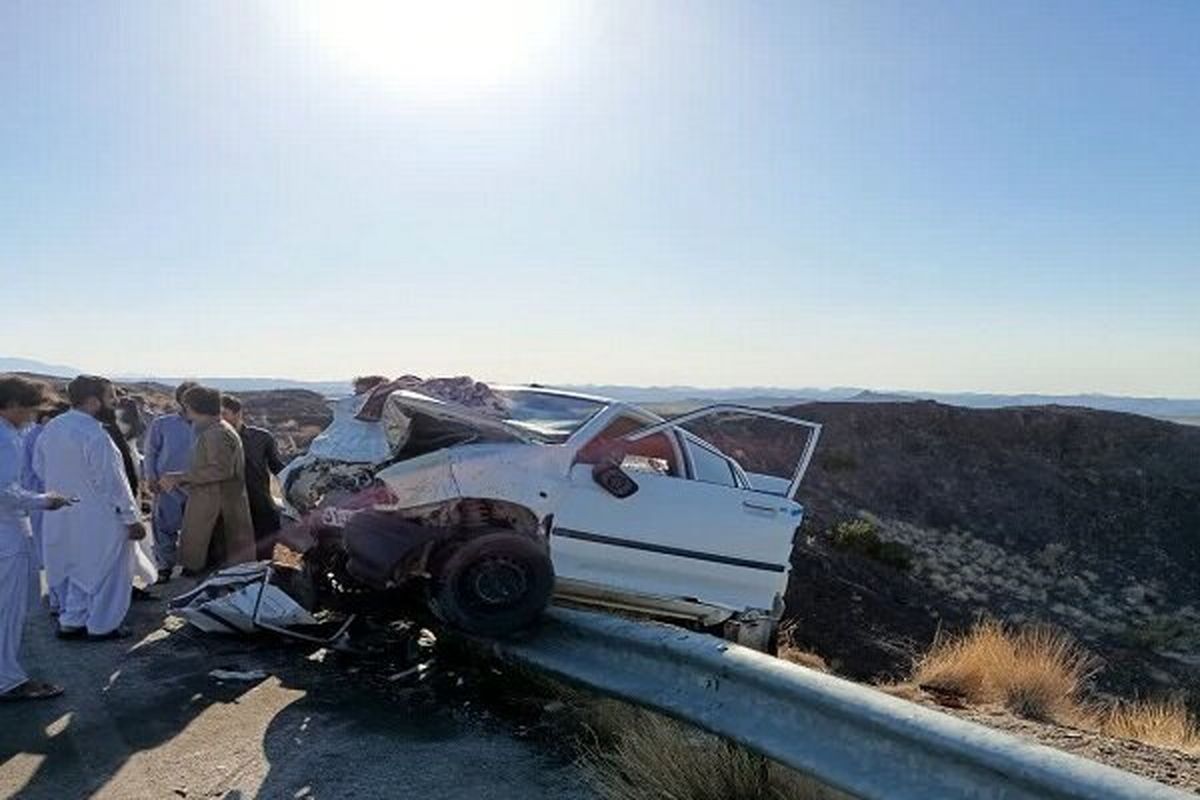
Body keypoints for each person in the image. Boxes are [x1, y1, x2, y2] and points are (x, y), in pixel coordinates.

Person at [33, 375, 147, 641]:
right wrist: (131, 518)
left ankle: (72, 620)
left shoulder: (53, 428)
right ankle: (102, 625)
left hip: (62, 512)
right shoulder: (95, 435)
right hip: (99, 516)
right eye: (111, 397)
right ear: (94, 402)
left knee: (76, 568)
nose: (115, 402)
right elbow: (113, 482)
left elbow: (40, 468)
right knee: (108, 570)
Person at [1, 376, 71, 700]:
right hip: (6, 536)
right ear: (12, 405)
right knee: (8, 610)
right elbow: (5, 492)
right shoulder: (4, 439)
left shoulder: (12, 433)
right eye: (29, 408)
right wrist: (45, 500)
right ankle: (8, 681)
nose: (32, 416)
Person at [160, 386, 255, 573]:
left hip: (217, 511)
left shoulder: (216, 434)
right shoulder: (215, 429)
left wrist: (180, 477)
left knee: (215, 565)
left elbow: (220, 470)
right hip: (216, 506)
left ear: (194, 408)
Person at [143, 382, 197, 582]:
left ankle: (192, 564)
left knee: (195, 527)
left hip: (196, 483)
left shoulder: (206, 425)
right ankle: (164, 567)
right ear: (180, 400)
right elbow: (151, 452)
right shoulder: (162, 424)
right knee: (164, 526)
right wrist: (150, 477)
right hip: (166, 484)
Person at [220, 395, 285, 560]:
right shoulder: (212, 440)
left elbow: (278, 468)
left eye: (224, 414)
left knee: (269, 551)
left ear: (238, 413)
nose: (220, 419)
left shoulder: (262, 438)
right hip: (228, 506)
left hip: (259, 502)